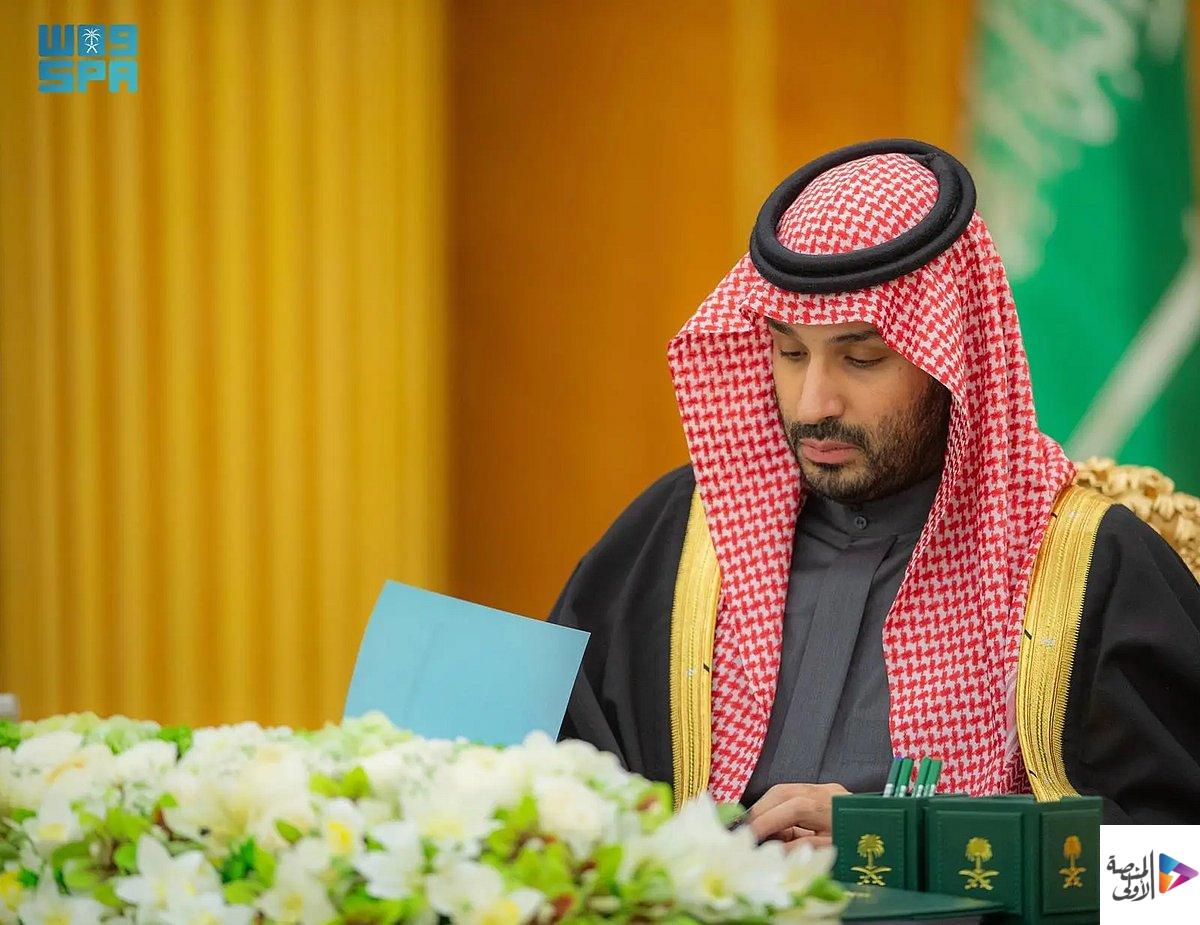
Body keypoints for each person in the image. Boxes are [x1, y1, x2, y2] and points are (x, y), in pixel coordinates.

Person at [548, 139, 1200, 842]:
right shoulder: (675, 541)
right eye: (789, 352)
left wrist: (901, 839)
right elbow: (541, 788)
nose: (813, 404)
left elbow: (1177, 877)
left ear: (950, 359)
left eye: (862, 357)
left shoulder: (1088, 568)